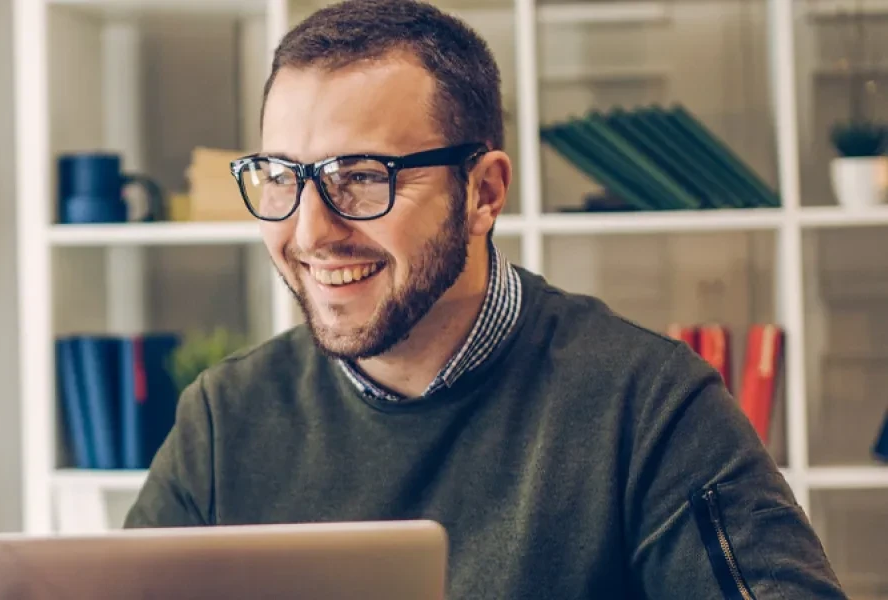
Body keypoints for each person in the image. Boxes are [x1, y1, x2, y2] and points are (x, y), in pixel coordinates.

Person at [124, 1, 847, 597]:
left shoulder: (648, 405)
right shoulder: (224, 419)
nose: (310, 231)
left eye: (362, 176)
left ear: (484, 192)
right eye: (280, 176)